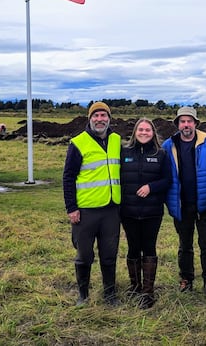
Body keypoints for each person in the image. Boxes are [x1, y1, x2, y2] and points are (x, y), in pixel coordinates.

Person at [162, 106, 206, 300]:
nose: (186, 124)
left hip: (205, 204)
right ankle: (186, 279)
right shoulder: (168, 145)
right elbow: (162, 171)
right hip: (181, 205)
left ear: (196, 123)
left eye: (190, 121)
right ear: (178, 124)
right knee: (185, 245)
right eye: (183, 121)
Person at [63, 101, 122, 306]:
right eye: (95, 116)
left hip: (111, 210)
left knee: (109, 254)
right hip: (86, 211)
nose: (100, 120)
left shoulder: (116, 140)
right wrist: (71, 208)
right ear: (90, 119)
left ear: (109, 118)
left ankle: (110, 294)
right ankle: (83, 295)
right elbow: (68, 177)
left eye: (103, 116)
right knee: (84, 255)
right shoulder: (78, 143)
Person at [120, 118, 172, 309]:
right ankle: (135, 287)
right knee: (133, 248)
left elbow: (168, 180)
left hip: (152, 211)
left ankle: (148, 293)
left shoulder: (161, 154)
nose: (143, 132)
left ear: (153, 133)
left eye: (147, 130)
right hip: (128, 211)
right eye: (140, 129)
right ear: (135, 132)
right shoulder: (124, 152)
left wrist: (151, 187)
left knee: (149, 248)